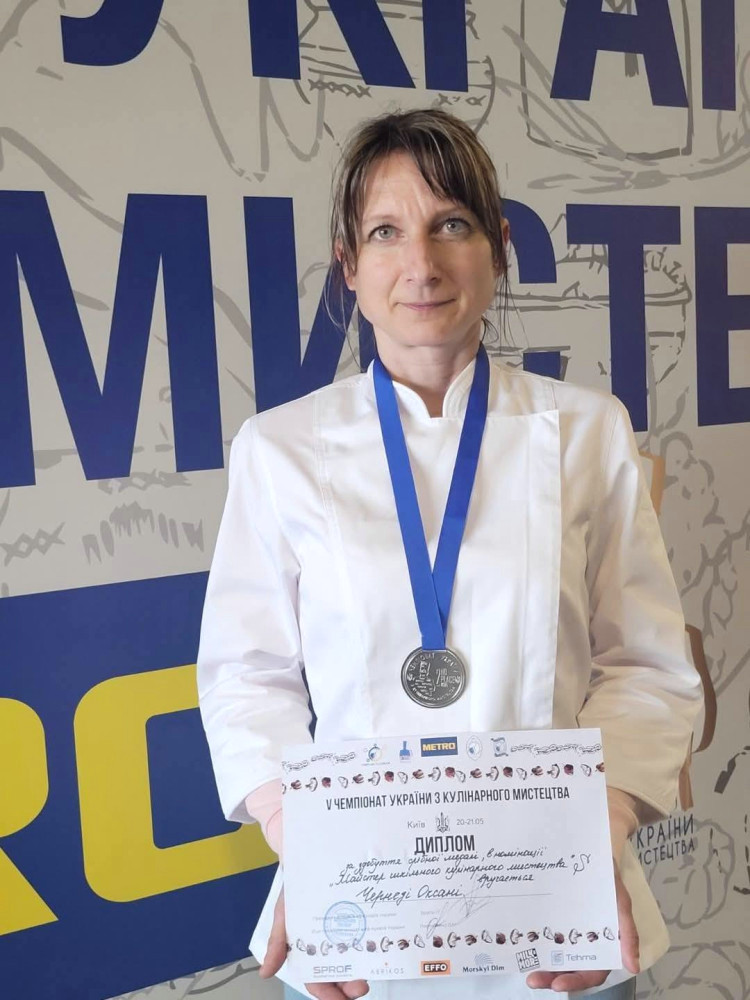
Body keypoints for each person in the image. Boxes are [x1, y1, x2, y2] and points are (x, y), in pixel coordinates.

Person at [197, 108, 702, 1000]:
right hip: (357, 918)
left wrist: (605, 823)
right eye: (386, 233)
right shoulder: (279, 449)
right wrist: (298, 836)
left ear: (498, 249)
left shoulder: (587, 430)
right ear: (349, 267)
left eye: (452, 225)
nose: (421, 264)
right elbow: (247, 674)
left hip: (560, 915)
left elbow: (645, 664)